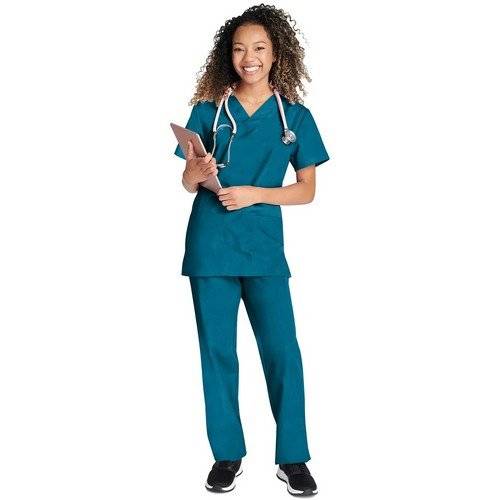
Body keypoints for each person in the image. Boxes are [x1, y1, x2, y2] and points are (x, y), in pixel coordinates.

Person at [173, 5, 330, 496]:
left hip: (263, 248)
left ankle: (293, 457)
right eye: (239, 49)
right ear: (229, 55)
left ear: (276, 53)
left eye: (259, 48)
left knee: (283, 352)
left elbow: (306, 190)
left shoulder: (295, 117)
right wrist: (195, 173)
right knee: (217, 352)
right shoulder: (208, 112)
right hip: (210, 246)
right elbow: (187, 182)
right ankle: (227, 454)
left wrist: (254, 194)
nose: (249, 57)